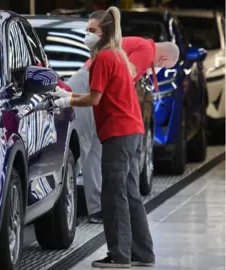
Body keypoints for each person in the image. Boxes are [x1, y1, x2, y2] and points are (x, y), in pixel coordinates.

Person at [51, 6, 156, 268]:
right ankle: (143, 254)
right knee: (130, 193)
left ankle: (119, 256)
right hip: (131, 130)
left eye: (92, 30)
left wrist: (67, 100)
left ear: (105, 32)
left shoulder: (103, 59)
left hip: (118, 133)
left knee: (114, 195)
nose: (87, 34)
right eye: (87, 30)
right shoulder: (118, 55)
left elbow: (94, 98)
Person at [58, 36, 179, 224]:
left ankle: (96, 208)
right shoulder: (146, 51)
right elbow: (122, 78)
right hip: (88, 85)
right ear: (164, 60)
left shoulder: (142, 47)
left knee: (96, 148)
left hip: (95, 86)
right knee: (82, 147)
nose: (160, 68)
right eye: (165, 66)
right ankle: (60, 208)